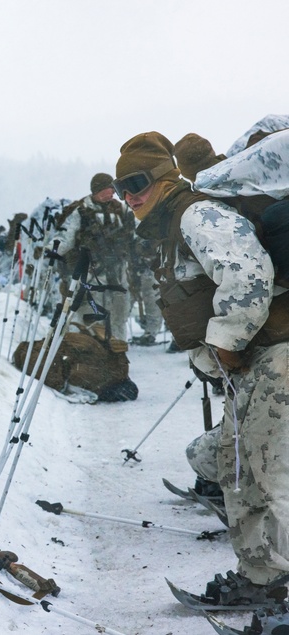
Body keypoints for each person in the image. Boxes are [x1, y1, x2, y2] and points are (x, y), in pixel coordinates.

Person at [115, 131, 289, 613]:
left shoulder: (197, 213)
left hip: (274, 357)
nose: (129, 197)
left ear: (164, 179)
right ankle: (262, 579)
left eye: (137, 183)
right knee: (239, 472)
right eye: (121, 187)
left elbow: (249, 274)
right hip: (251, 366)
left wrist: (227, 340)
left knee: (273, 476)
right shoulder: (172, 222)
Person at [54, 173, 134, 342]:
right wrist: (49, 252)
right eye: (108, 189)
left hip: (118, 270)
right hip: (90, 271)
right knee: (90, 312)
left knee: (119, 312)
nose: (112, 192)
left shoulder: (121, 209)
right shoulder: (81, 210)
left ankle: (117, 347)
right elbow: (66, 239)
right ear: (97, 190)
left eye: (113, 189)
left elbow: (134, 233)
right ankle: (90, 347)